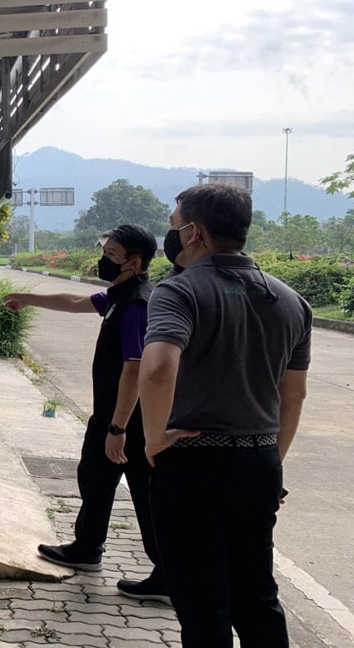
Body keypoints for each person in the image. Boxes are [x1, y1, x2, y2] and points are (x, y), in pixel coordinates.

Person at [140, 183, 310, 647]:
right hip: (258, 464)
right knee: (256, 595)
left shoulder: (179, 291)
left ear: (194, 232)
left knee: (201, 602)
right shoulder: (292, 301)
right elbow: (293, 396)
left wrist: (153, 439)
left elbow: (156, 370)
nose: (171, 235)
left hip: (192, 463)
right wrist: (270, 460)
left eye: (174, 226)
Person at [3, 224, 167, 602]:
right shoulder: (118, 295)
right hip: (112, 417)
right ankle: (87, 547)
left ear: (135, 261)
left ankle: (168, 573)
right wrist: (27, 298)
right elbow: (76, 302)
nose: (103, 260)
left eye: (111, 255)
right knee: (94, 476)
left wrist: (118, 427)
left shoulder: (137, 304)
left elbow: (135, 368)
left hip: (128, 422)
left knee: (145, 493)